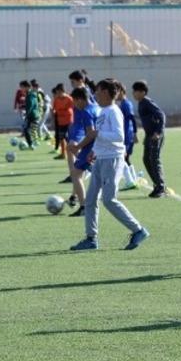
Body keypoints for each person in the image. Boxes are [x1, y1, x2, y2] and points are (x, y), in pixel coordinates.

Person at [69, 79, 149, 252]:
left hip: (112, 160)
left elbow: (119, 137)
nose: (95, 94)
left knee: (109, 200)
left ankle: (138, 230)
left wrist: (98, 134)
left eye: (97, 91)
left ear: (105, 92)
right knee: (90, 200)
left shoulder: (114, 111)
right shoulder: (103, 111)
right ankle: (91, 239)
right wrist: (94, 151)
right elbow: (100, 137)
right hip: (100, 159)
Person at [66, 86, 98, 216]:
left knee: (75, 174)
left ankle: (84, 207)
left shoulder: (86, 112)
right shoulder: (96, 107)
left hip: (90, 147)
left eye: (74, 101)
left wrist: (78, 146)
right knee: (81, 172)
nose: (74, 104)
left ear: (80, 99)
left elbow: (91, 133)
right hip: (98, 146)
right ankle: (82, 202)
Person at [133, 80, 167, 198]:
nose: (133, 94)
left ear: (143, 92)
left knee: (154, 159)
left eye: (136, 91)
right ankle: (157, 185)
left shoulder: (147, 102)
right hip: (149, 135)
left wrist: (158, 132)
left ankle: (161, 187)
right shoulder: (141, 103)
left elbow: (161, 115)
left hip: (155, 136)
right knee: (146, 159)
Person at [116, 82, 140, 191]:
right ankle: (133, 179)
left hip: (127, 135)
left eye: (117, 91)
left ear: (121, 91)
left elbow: (132, 119)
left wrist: (135, 133)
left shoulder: (126, 104)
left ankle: (130, 181)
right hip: (126, 134)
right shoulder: (122, 104)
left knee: (123, 158)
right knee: (125, 158)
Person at [51, 84, 74, 161]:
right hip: (60, 121)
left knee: (69, 138)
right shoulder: (56, 99)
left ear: (62, 91)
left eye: (58, 92)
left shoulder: (69, 99)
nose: (57, 94)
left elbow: (74, 109)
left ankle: (73, 153)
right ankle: (63, 154)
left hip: (69, 121)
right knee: (61, 138)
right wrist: (53, 118)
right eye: (57, 92)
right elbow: (54, 110)